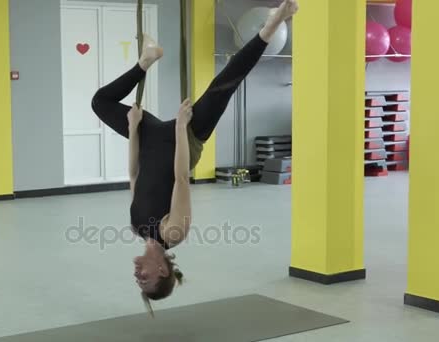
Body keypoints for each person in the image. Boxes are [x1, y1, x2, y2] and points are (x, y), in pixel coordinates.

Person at [91, 0, 299, 309]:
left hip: (147, 139)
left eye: (138, 280)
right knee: (223, 85)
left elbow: (134, 174)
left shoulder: (137, 227)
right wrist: (180, 129)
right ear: (162, 270)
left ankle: (146, 60)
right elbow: (180, 180)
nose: (137, 274)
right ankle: (271, 26)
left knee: (100, 101)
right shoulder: (173, 232)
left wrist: (134, 128)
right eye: (145, 278)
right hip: (185, 139)